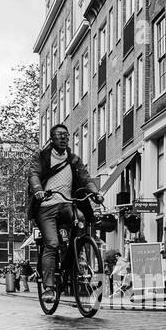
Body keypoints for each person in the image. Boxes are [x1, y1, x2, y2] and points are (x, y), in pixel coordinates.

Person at [27, 123, 102, 304]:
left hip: (67, 205)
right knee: (51, 243)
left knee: (82, 219)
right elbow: (34, 174)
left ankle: (73, 255)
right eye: (59, 135)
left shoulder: (74, 159)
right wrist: (37, 189)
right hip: (46, 207)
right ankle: (49, 288)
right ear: (52, 139)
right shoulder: (42, 156)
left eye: (66, 135)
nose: (63, 138)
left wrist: (95, 192)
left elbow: (85, 178)